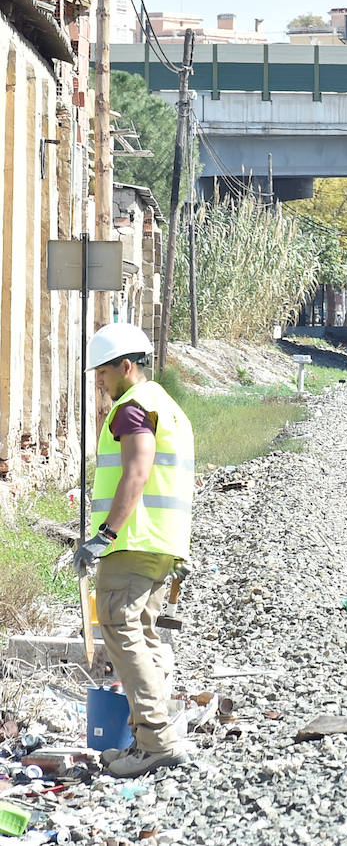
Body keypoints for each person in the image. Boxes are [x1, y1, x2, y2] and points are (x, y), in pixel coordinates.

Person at [73, 323, 195, 778]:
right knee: (141, 636)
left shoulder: (133, 408)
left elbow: (137, 473)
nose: (100, 382)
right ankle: (147, 737)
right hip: (161, 543)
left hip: (133, 541)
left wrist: (104, 535)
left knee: (120, 629)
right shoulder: (169, 406)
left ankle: (155, 740)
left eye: (103, 372)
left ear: (127, 367)